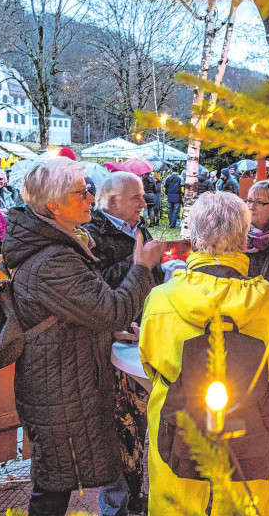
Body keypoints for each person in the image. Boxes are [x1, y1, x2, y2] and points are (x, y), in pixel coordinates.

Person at [1, 157, 166, 516]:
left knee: (56, 479)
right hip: (58, 387)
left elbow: (80, 311)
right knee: (52, 486)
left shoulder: (58, 245)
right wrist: (141, 267)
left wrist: (106, 330)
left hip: (63, 378)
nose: (91, 199)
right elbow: (112, 308)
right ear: (54, 206)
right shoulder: (52, 260)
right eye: (81, 194)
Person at [139, 192, 269, 515]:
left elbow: (149, 364)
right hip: (257, 440)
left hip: (178, 441)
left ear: (194, 237)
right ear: (243, 238)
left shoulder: (161, 300)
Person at [81, 171, 167, 516]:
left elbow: (152, 279)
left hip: (141, 339)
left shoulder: (139, 230)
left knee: (139, 424)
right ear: (112, 200)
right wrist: (138, 264)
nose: (144, 203)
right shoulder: (91, 235)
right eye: (136, 198)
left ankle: (134, 497)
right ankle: (118, 505)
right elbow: (95, 290)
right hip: (107, 349)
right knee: (117, 430)